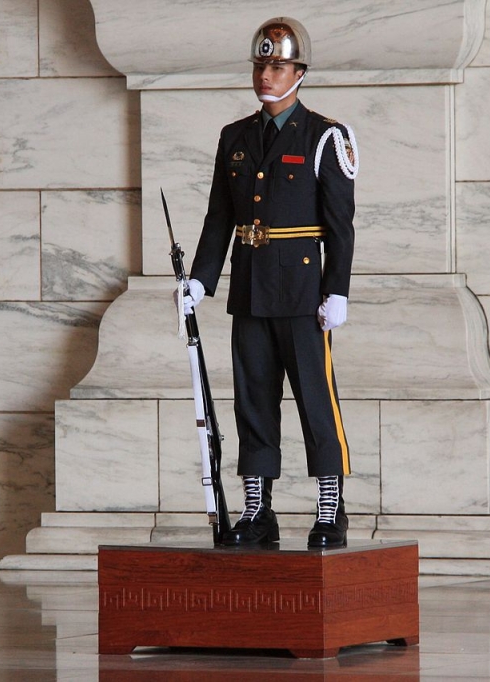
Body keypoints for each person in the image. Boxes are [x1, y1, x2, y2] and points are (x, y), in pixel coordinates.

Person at [179, 17, 359, 548]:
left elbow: (340, 224)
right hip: (251, 289)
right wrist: (201, 281)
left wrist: (338, 289)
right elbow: (219, 218)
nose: (266, 75)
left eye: (277, 65)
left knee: (314, 400)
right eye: (261, 65)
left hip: (305, 295)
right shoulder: (234, 137)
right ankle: (258, 510)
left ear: (300, 72)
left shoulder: (327, 135)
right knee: (253, 402)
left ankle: (331, 508)